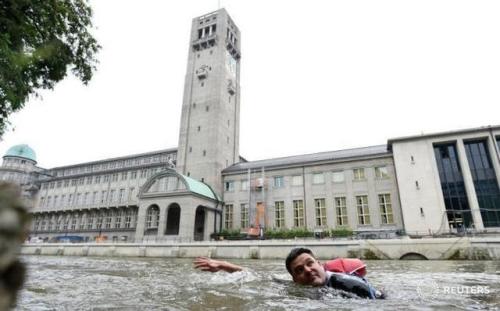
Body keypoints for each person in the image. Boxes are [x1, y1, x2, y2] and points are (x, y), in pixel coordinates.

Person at [194, 247, 385, 299]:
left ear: (319, 264)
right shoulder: (296, 286)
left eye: (310, 264)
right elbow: (259, 276)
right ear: (294, 279)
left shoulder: (349, 284)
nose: (308, 271)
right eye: (300, 270)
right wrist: (222, 264)